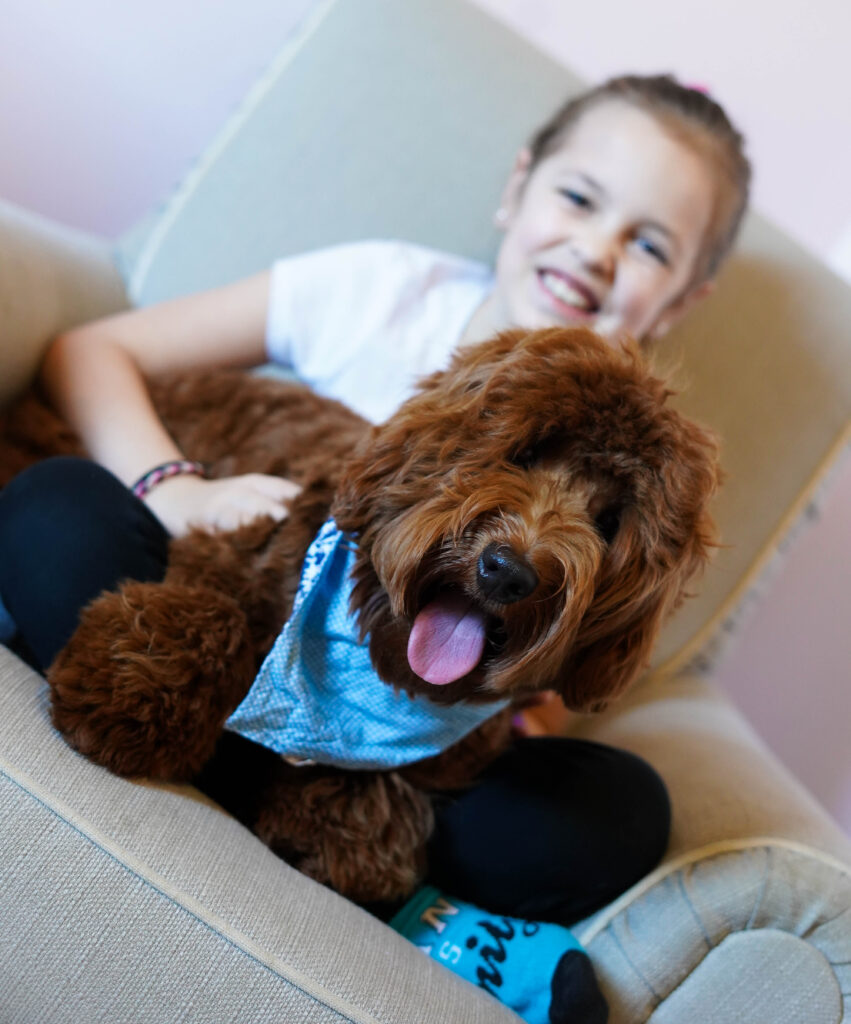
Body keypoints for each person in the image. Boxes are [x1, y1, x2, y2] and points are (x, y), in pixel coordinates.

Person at [0, 74, 750, 1018]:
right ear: (516, 187)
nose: (597, 250)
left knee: (617, 811)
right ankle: (379, 879)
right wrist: (175, 486)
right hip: (230, 611)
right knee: (57, 510)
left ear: (682, 298)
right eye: (578, 197)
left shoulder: (653, 466)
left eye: (648, 244)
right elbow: (88, 353)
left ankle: (329, 821)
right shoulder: (384, 292)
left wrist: (527, 682)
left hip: (406, 744)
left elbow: (588, 654)